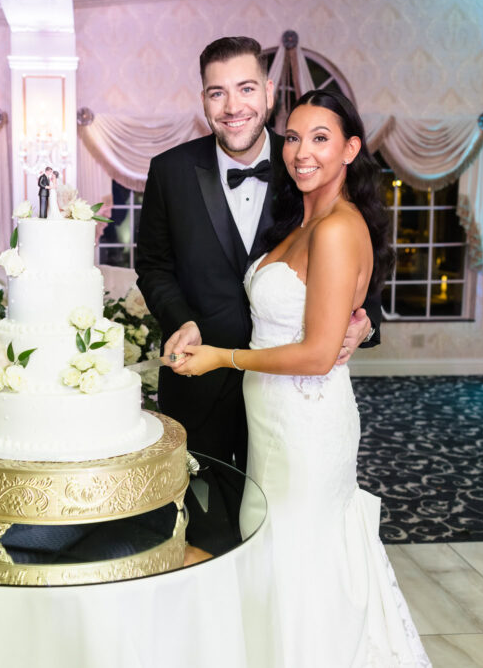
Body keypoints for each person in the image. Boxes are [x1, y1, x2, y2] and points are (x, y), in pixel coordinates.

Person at [173, 88, 430, 667]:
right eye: (293, 137)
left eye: (320, 138)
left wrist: (224, 358)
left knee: (299, 555)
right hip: (275, 420)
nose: (301, 152)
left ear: (350, 149)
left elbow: (316, 354)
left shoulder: (338, 228)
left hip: (307, 422)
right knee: (279, 550)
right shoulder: (302, 217)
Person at [136, 36, 379, 547]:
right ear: (202, 99)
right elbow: (154, 265)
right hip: (199, 390)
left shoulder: (304, 164)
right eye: (216, 93)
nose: (232, 107)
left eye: (245, 88)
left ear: (268, 92)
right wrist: (181, 318)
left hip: (291, 398)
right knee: (204, 538)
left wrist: (365, 318)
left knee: (287, 536)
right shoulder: (170, 171)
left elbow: (359, 250)